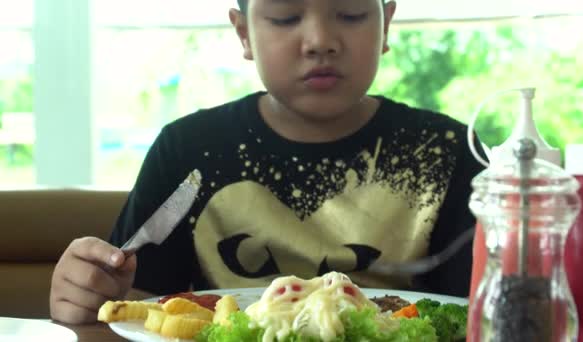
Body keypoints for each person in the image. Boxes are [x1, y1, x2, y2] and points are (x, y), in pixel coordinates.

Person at [50, 0, 484, 324]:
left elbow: (481, 312)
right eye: (284, 16)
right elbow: (136, 307)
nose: (320, 42)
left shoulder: (447, 150)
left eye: (350, 13)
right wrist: (86, 294)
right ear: (243, 34)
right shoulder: (189, 149)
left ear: (386, 23)